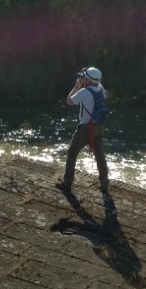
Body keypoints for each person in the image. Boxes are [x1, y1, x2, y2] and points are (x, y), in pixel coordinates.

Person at [56, 66, 110, 195]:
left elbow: (69, 101)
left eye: (84, 77)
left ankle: (67, 184)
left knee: (72, 153)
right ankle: (104, 184)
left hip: (86, 128)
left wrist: (77, 85)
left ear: (88, 80)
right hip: (99, 126)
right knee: (100, 155)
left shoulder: (84, 92)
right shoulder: (101, 89)